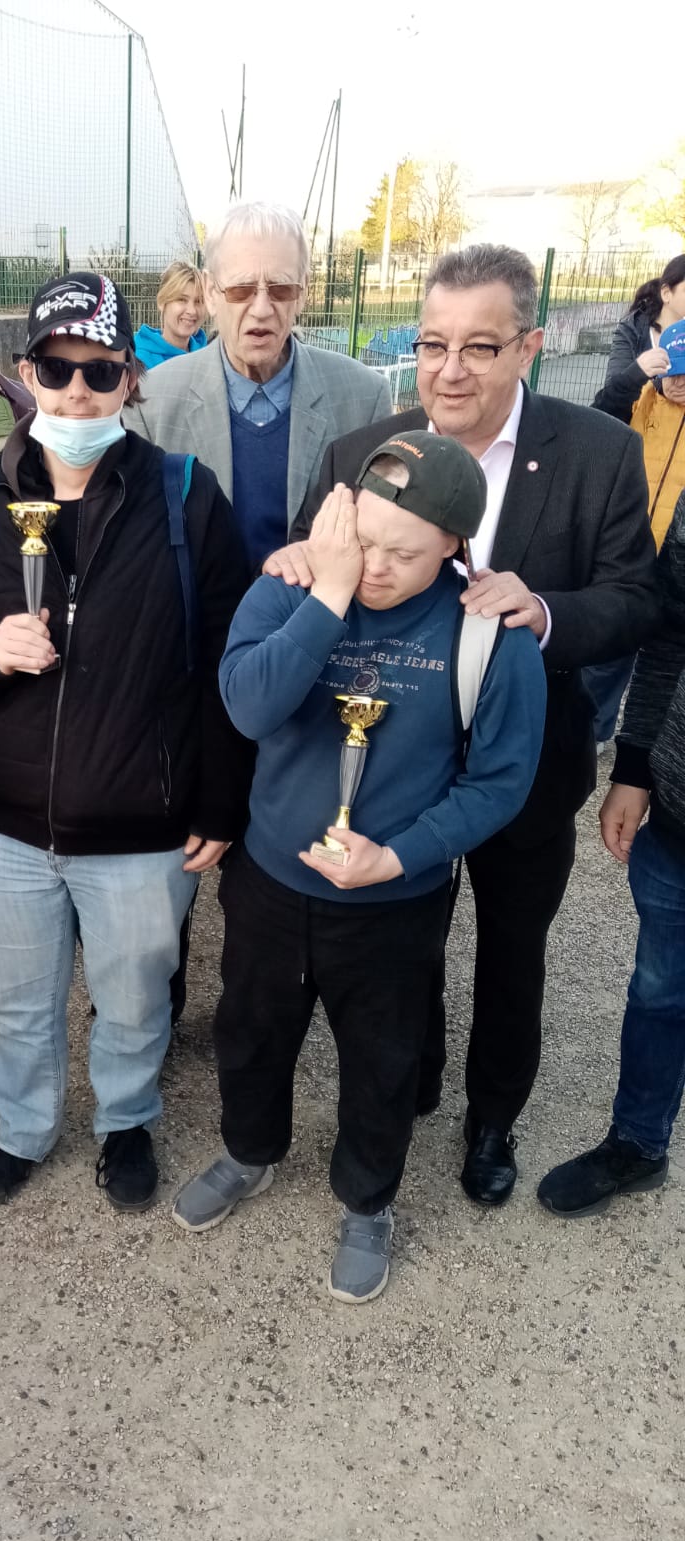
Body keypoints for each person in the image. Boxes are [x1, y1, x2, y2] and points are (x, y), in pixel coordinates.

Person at [266, 243, 660, 1207]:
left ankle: (493, 1120)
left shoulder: (599, 453)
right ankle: (420, 1082)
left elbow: (637, 600)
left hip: (526, 764)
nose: (450, 370)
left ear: (528, 347)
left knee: (512, 948)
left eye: (480, 347)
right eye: (434, 343)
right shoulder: (361, 456)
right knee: (409, 937)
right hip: (393, 764)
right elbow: (322, 582)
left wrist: (548, 610)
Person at [172, 435, 546, 1300]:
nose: (377, 565)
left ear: (455, 545)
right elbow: (249, 705)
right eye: (362, 539)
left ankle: (368, 1201)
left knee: (382, 1059)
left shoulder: (490, 635)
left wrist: (402, 855)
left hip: (393, 900)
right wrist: (332, 591)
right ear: (340, 517)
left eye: (403, 554)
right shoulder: (295, 585)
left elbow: (500, 783)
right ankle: (248, 1151)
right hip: (270, 879)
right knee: (251, 1033)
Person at [0, 272, 252, 1213]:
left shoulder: (187, 498)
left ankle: (124, 1121)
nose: (77, 393)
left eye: (100, 372)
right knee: (21, 1001)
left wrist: (220, 799)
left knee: (137, 997)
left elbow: (228, 662)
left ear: (130, 383)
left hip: (141, 822)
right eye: (59, 370)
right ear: (27, 373)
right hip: (8, 821)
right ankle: (23, 1127)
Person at [538, 497, 685, 1216]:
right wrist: (633, 765)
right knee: (660, 991)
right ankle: (638, 1142)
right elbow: (668, 634)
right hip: (682, 813)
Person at [126, 201, 391, 571]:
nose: (262, 308)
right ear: (212, 293)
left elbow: (384, 544)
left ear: (303, 292)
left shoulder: (364, 399)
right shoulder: (151, 403)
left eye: (281, 289)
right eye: (241, 289)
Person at [586, 318, 685, 740]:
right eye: (673, 369)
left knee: (663, 663)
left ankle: (650, 745)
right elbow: (598, 418)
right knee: (607, 655)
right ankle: (590, 734)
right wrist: (633, 376)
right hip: (627, 557)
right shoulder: (641, 399)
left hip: (676, 565)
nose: (679, 381)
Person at [592, 254, 685, 421]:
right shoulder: (632, 330)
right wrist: (657, 384)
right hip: (639, 437)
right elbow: (611, 401)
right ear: (666, 293)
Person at [133, 262, 206, 370]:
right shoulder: (138, 360)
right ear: (162, 302)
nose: (192, 311)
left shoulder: (209, 358)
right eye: (182, 299)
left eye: (198, 301)